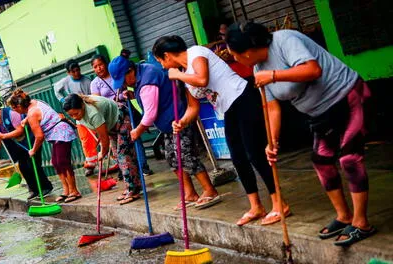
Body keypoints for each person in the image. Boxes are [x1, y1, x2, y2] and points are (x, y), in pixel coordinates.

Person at [226, 22, 375, 246]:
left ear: (246, 52)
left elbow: (313, 70)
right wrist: (272, 141)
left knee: (349, 158)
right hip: (319, 113)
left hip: (347, 96)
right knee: (321, 161)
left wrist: (274, 75)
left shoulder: (285, 40)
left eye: (234, 55)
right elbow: (272, 107)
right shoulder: (258, 69)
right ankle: (344, 216)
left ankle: (361, 222)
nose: (234, 60)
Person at [152, 35, 289, 225]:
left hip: (242, 98)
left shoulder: (195, 53)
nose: (162, 66)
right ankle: (256, 206)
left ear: (166, 56)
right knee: (238, 158)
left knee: (255, 153)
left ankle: (279, 203)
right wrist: (182, 122)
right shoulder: (183, 75)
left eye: (160, 60)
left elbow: (202, 78)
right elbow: (193, 108)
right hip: (227, 110)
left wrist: (178, 75)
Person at [108, 54, 221, 210]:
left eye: (123, 80)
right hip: (168, 124)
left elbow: (150, 113)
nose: (123, 85)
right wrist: (134, 95)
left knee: (186, 155)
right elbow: (154, 97)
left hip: (178, 119)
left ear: (130, 71)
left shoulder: (147, 77)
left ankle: (210, 190)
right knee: (172, 158)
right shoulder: (141, 76)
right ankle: (190, 193)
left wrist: (138, 130)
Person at [63, 94, 142, 205]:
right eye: (71, 115)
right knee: (118, 156)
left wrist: (102, 152)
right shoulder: (80, 115)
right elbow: (100, 132)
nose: (75, 117)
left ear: (82, 105)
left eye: (76, 113)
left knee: (124, 156)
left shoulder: (93, 112)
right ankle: (133, 186)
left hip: (122, 119)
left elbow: (104, 138)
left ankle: (133, 190)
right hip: (112, 126)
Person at [8, 89, 81, 203]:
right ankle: (66, 190)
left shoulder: (32, 114)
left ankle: (74, 191)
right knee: (55, 162)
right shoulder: (33, 102)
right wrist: (25, 119)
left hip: (61, 132)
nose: (14, 111)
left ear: (19, 106)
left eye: (14, 108)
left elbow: (39, 136)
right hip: (55, 134)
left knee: (62, 162)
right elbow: (35, 112)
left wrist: (33, 150)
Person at [90, 54, 153, 176]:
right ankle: (125, 171)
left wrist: (126, 94)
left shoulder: (116, 75)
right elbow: (97, 102)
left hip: (126, 110)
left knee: (135, 138)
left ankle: (143, 166)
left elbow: (131, 88)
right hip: (111, 116)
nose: (99, 68)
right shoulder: (95, 83)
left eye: (100, 65)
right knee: (117, 144)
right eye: (95, 67)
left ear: (106, 64)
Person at [0, 101, 53, 200]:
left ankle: (46, 187)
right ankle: (35, 190)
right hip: (18, 146)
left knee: (33, 164)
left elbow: (20, 130)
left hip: (30, 140)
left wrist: (4, 135)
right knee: (23, 167)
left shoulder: (11, 113)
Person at [54, 59, 98, 176]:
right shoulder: (65, 82)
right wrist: (62, 99)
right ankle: (91, 164)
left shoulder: (87, 81)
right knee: (86, 140)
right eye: (73, 71)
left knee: (100, 135)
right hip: (78, 114)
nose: (76, 73)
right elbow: (56, 89)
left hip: (89, 111)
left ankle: (114, 159)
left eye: (78, 70)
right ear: (69, 73)